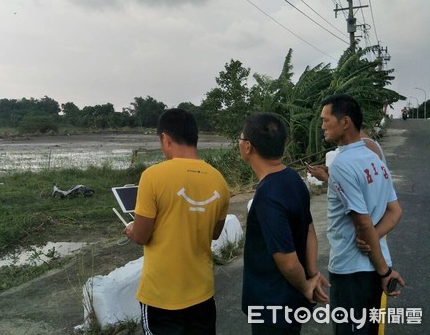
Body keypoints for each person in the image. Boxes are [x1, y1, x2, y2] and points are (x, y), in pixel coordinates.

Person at [124, 108, 230, 334]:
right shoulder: (219, 180)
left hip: (161, 297)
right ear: (194, 137)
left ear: (165, 138)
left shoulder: (152, 176)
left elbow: (142, 236)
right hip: (202, 294)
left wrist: (131, 229)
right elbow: (215, 233)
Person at [317, 94, 405, 334]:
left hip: (350, 270)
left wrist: (384, 270)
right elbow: (395, 211)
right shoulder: (374, 158)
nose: (322, 125)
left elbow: (363, 225)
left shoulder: (342, 164)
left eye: (326, 120)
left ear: (345, 122)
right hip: (373, 268)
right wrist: (377, 251)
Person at [239, 112, 329, 334]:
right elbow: (309, 230)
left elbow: (287, 261)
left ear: (248, 147)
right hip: (289, 301)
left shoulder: (267, 195)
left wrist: (306, 285)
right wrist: (311, 271)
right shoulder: (292, 179)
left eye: (240, 138)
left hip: (272, 305)